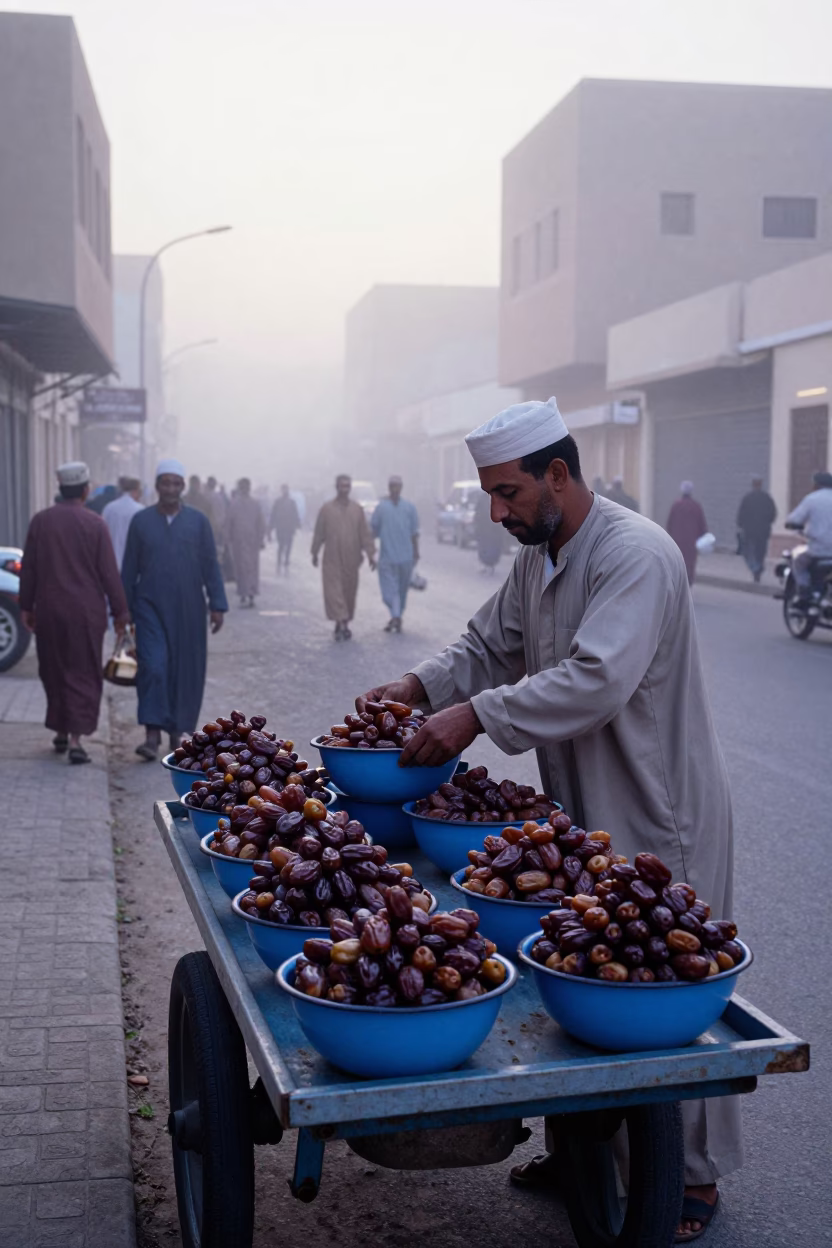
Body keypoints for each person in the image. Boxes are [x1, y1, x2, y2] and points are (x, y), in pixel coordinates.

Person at [358, 397, 739, 1241]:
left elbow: (597, 679)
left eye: (507, 494)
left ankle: (691, 1180)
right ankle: (585, 1160)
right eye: (491, 496)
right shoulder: (539, 557)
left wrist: (474, 718)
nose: (496, 513)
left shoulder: (634, 554)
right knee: (584, 987)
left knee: (666, 1002)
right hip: (578, 815)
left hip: (654, 811)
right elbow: (487, 644)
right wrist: (420, 686)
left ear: (557, 475)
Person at [18, 462, 129, 765]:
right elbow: (109, 574)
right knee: (83, 671)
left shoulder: (41, 522)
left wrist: (25, 606)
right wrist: (121, 613)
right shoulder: (95, 524)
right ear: (85, 490)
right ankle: (77, 740)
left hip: (50, 611)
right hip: (86, 614)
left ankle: (60, 729)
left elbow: (29, 569)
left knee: (54, 668)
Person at [121, 458, 228, 759]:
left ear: (182, 487)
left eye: (175, 483)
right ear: (156, 486)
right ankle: (151, 734)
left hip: (190, 608)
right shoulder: (141, 522)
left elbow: (210, 564)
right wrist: (122, 611)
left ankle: (178, 732)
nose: (169, 488)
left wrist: (217, 605)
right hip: (149, 605)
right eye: (164, 482)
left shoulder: (198, 522)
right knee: (153, 665)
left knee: (186, 669)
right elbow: (129, 569)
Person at [311, 474, 376, 641]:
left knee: (348, 592)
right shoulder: (326, 509)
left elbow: (364, 534)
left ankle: (345, 622)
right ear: (336, 487)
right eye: (342, 486)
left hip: (352, 559)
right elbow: (319, 533)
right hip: (332, 559)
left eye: (347, 486)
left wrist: (370, 554)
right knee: (334, 592)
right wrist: (314, 552)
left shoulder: (357, 510)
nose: (344, 489)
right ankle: (340, 622)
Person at [371, 475, 420, 633]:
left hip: (406, 556)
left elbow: (414, 532)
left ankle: (396, 616)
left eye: (398, 485)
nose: (395, 488)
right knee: (389, 590)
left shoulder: (409, 508)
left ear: (401, 487)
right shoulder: (381, 507)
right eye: (393, 485)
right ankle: (396, 616)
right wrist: (369, 549)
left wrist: (416, 552)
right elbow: (373, 529)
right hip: (387, 557)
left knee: (402, 590)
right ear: (389, 487)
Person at [785, 470, 832, 605]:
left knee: (798, 562)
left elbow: (794, 519)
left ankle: (804, 592)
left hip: (819, 549)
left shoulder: (812, 499)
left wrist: (791, 524)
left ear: (816, 485)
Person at [227, 477, 265, 607]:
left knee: (242, 568)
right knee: (251, 567)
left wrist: (228, 538)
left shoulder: (234, 504)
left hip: (240, 540)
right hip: (250, 540)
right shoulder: (255, 504)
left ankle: (244, 593)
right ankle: (250, 593)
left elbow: (229, 523)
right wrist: (260, 539)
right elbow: (261, 523)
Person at [736, 476, 776, 583]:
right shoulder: (767, 498)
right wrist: (768, 523)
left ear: (753, 485)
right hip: (763, 530)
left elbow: (741, 513)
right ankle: (758, 568)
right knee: (761, 551)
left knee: (749, 551)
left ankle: (755, 568)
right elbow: (773, 513)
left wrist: (740, 525)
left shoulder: (747, 498)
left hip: (750, 530)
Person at [667, 481, 708, 585]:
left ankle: (678, 582)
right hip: (691, 541)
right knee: (689, 563)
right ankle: (688, 583)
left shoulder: (676, 506)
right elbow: (702, 524)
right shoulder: (696, 506)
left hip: (677, 541)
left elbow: (669, 524)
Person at [102, 476, 144, 569]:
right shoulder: (140, 510)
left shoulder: (109, 508)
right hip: (131, 565)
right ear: (135, 491)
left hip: (109, 563)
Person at [269, 484, 301, 572]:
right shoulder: (278, 502)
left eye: (286, 489)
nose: (284, 491)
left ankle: (286, 559)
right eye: (283, 489)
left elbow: (295, 514)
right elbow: (273, 514)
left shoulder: (292, 502)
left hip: (289, 527)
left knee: (289, 544)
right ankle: (280, 559)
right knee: (281, 544)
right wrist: (271, 526)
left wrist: (297, 524)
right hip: (280, 527)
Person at [475, 488, 502, 573]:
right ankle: (485, 564)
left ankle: (491, 564)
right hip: (484, 529)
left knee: (494, 548)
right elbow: (478, 513)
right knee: (484, 547)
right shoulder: (482, 499)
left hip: (495, 530)